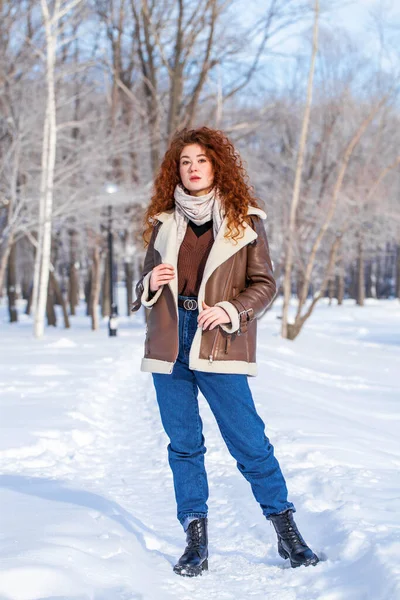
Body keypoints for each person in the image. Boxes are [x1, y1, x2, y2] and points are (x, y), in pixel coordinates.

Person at [132, 126, 319, 577]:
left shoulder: (243, 220)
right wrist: (150, 284)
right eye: (185, 162)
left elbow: (265, 284)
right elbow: (142, 286)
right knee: (184, 445)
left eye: (201, 160)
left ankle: (286, 532)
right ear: (176, 170)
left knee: (249, 441)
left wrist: (233, 310)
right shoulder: (163, 223)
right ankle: (195, 540)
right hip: (169, 340)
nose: (193, 169)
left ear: (217, 166)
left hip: (219, 339)